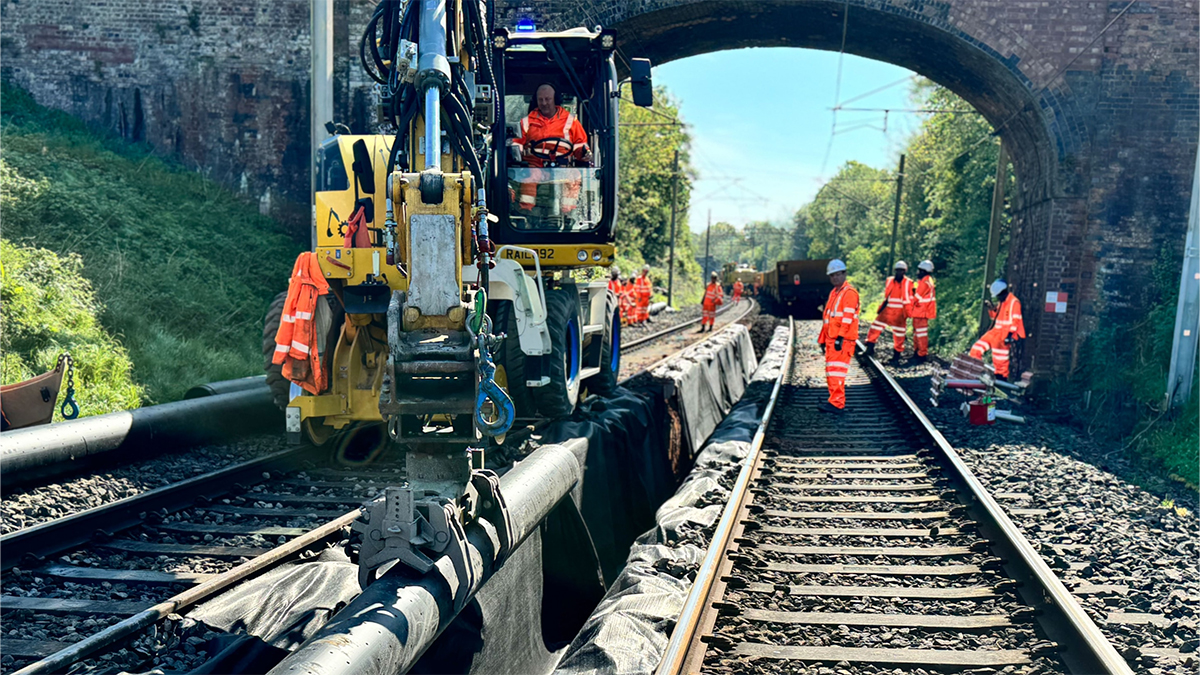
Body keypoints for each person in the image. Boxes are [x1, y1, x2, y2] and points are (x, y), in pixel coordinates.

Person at [511, 84, 591, 214]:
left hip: (562, 166)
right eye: (541, 100)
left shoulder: (570, 121)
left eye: (547, 99)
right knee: (530, 174)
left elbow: (580, 145)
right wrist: (517, 151)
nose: (544, 103)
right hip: (535, 166)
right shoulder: (527, 122)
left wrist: (584, 153)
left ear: (555, 99)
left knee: (574, 175)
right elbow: (516, 142)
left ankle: (568, 213)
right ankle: (526, 211)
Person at [818, 259, 859, 413]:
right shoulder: (834, 293)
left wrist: (840, 338)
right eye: (832, 275)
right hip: (832, 339)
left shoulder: (849, 293)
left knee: (836, 372)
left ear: (844, 274)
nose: (835, 278)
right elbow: (828, 317)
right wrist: (822, 339)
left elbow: (847, 318)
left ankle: (837, 403)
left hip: (842, 341)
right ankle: (834, 400)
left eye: (838, 274)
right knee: (832, 371)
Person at [970, 279, 1025, 380]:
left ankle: (1001, 378)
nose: (998, 298)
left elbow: (1015, 320)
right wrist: (991, 308)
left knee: (1000, 359)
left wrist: (1009, 336)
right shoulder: (1002, 302)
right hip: (995, 332)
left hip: (1004, 334)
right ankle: (978, 372)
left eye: (998, 296)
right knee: (976, 349)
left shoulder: (1014, 302)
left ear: (1003, 292)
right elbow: (996, 317)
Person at [865, 261, 913, 360]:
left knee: (899, 334)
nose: (899, 273)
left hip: (899, 312)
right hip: (887, 310)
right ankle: (869, 348)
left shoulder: (908, 282)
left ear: (904, 271)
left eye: (901, 271)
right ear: (895, 271)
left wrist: (908, 313)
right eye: (898, 270)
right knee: (875, 327)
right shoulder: (890, 280)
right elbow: (887, 296)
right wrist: (882, 308)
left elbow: (909, 298)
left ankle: (896, 356)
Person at [909, 260, 937, 364]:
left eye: (919, 270)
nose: (918, 272)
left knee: (921, 334)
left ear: (924, 271)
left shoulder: (925, 283)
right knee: (917, 333)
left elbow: (916, 298)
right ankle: (917, 352)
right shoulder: (926, 281)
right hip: (920, 312)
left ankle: (921, 354)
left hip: (921, 312)